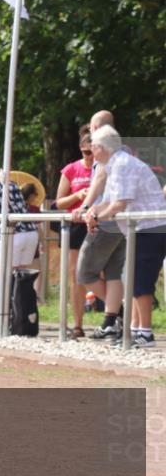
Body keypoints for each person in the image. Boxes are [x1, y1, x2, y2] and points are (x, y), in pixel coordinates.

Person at [85, 125, 165, 349]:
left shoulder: (122, 164)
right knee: (132, 279)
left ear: (102, 147)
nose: (91, 149)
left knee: (141, 280)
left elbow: (119, 203)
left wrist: (98, 217)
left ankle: (146, 333)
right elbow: (109, 202)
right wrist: (92, 212)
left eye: (93, 145)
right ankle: (138, 330)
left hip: (151, 228)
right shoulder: (114, 165)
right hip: (140, 228)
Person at [71, 111, 125, 341]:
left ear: (95, 127)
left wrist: (86, 208)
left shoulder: (107, 152)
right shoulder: (122, 150)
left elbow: (99, 183)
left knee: (84, 271)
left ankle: (119, 312)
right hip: (121, 220)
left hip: (107, 219)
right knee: (113, 272)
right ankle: (112, 318)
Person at [54, 133, 94, 338]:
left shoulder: (105, 168)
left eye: (94, 152)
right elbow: (58, 203)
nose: (90, 157)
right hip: (75, 225)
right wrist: (77, 196)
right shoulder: (71, 170)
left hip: (99, 222)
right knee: (75, 275)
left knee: (106, 273)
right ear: (80, 149)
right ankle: (77, 324)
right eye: (86, 152)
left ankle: (114, 317)